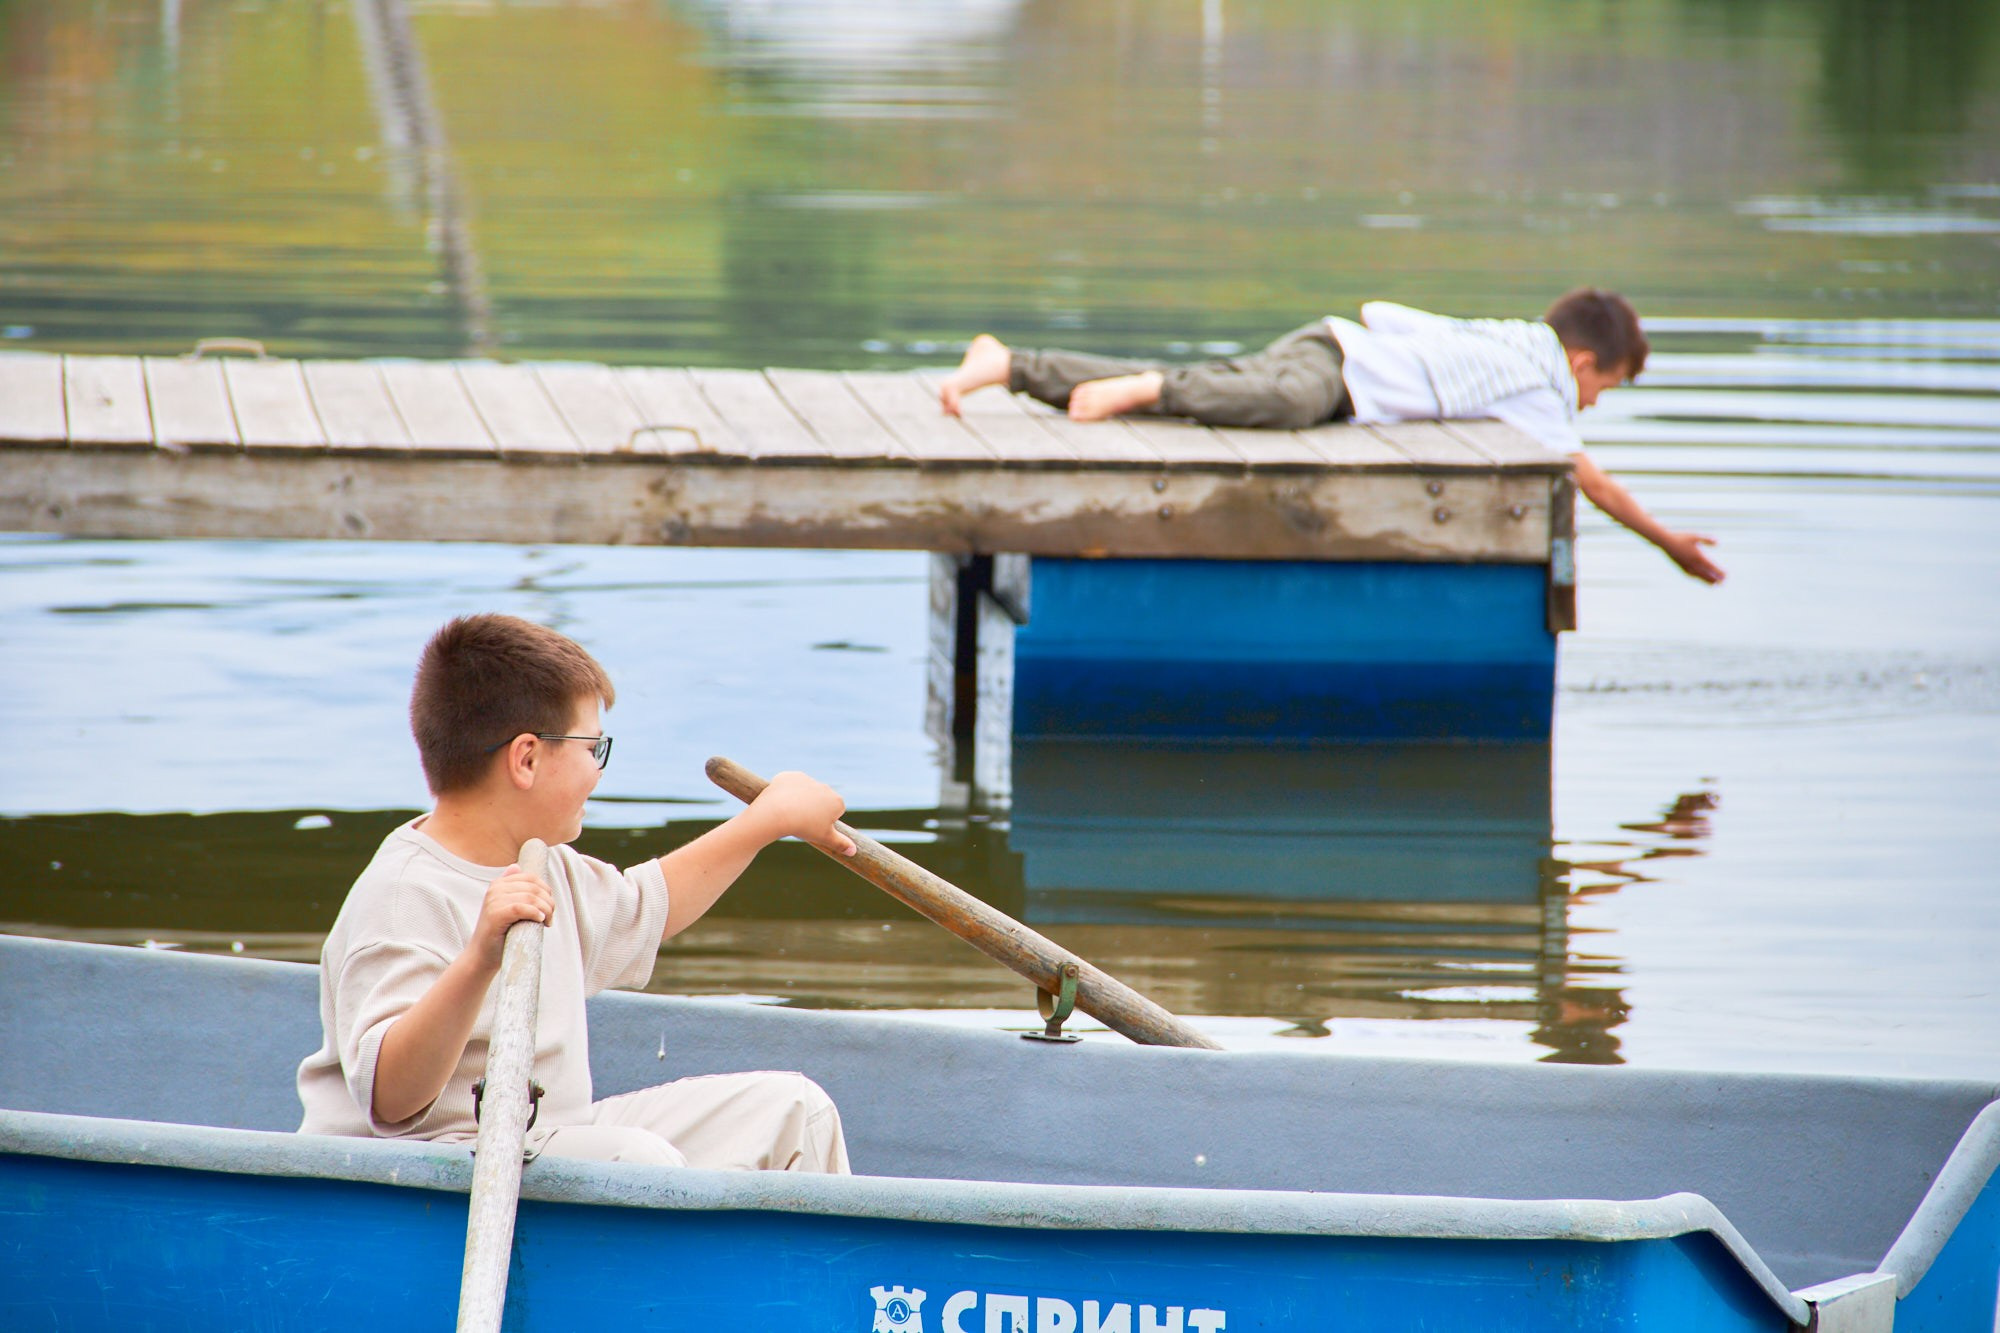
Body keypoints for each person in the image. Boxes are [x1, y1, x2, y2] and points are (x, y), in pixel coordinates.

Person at [297, 613, 856, 1171]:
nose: (598, 772)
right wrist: (478, 961)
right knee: (638, 1162)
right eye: (594, 748)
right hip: (424, 1169)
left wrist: (766, 821)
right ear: (527, 758)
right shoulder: (404, 895)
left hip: (548, 1140)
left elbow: (645, 909)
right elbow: (390, 1098)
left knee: (794, 1110)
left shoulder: (543, 863)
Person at [938, 288, 1724, 585]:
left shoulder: (1514, 343)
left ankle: (1006, 364)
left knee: (1226, 393)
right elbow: (1592, 481)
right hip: (1332, 374)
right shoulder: (1545, 379)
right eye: (1603, 387)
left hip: (1334, 348)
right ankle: (1145, 387)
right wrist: (1667, 542)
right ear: (1581, 362)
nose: (1591, 402)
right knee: (1267, 406)